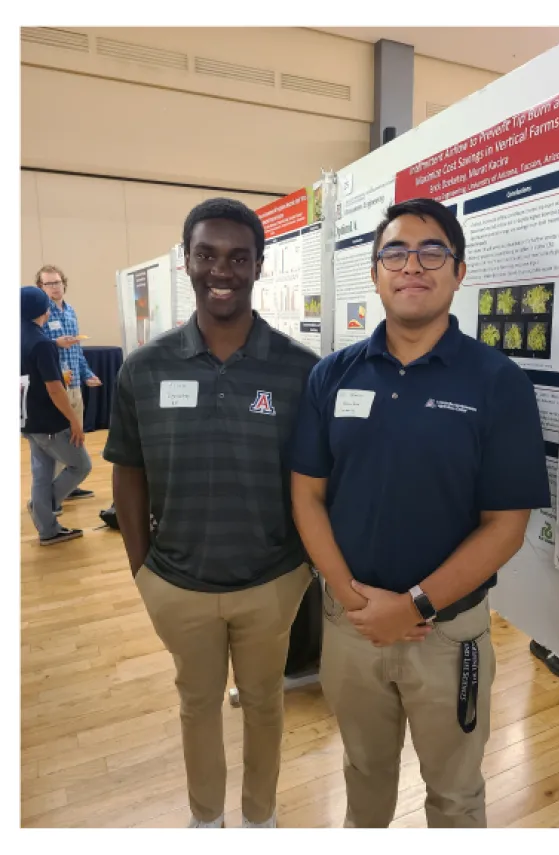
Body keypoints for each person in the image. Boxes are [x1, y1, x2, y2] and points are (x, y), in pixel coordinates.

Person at [289, 198, 549, 828]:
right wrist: (355, 603)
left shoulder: (497, 382)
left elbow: (506, 525)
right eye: (395, 252)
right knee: (363, 781)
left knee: (456, 798)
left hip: (447, 633)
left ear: (458, 272)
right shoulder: (332, 375)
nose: (413, 265)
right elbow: (306, 496)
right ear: (376, 274)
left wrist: (413, 606)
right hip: (349, 627)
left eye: (432, 251)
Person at [104, 198, 320, 829]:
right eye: (207, 255)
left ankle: (260, 818)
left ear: (258, 265)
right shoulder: (145, 367)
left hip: (271, 581)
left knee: (265, 704)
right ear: (187, 262)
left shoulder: (300, 370)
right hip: (177, 583)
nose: (221, 270)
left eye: (237, 257)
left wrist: (303, 567)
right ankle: (207, 821)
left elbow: (315, 479)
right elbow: (128, 469)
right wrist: (142, 572)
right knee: (197, 706)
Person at [20, 285, 90, 545]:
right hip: (50, 422)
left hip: (28, 420)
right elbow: (55, 389)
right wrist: (74, 420)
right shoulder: (41, 343)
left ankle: (47, 528)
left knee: (42, 473)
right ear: (44, 310)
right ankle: (43, 511)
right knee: (81, 465)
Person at [36, 264, 100, 501]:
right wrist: (55, 344)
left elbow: (77, 350)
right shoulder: (41, 312)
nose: (55, 287)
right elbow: (33, 348)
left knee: (76, 437)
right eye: (49, 283)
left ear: (64, 283)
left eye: (57, 282)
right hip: (54, 387)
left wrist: (87, 374)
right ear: (41, 287)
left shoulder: (71, 310)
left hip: (74, 386)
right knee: (56, 444)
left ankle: (70, 486)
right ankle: (51, 496)